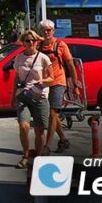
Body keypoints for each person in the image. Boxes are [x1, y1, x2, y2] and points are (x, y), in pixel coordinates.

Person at [10, 30, 53, 168]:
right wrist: (13, 95)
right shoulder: (19, 58)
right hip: (23, 95)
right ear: (23, 42)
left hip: (39, 96)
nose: (31, 43)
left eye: (33, 40)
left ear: (37, 42)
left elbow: (52, 78)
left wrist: (42, 80)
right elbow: (17, 77)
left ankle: (38, 157)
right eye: (27, 41)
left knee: (39, 130)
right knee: (24, 126)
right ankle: (25, 155)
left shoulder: (43, 58)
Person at [37, 19, 76, 154]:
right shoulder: (38, 45)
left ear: (53, 31)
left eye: (49, 30)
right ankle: (64, 140)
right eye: (44, 30)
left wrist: (75, 85)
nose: (47, 32)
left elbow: (70, 64)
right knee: (50, 114)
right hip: (44, 82)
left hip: (58, 81)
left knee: (53, 112)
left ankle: (47, 146)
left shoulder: (60, 45)